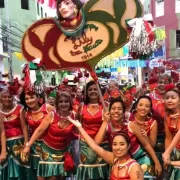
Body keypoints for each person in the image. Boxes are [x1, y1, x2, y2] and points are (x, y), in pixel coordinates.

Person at [94, 97, 162, 179]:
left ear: (123, 113)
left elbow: (146, 145)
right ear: (109, 112)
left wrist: (157, 162)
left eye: (119, 109)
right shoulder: (107, 127)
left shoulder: (131, 125)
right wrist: (105, 121)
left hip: (140, 159)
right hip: (121, 162)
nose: (116, 111)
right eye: (113, 108)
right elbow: (97, 142)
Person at [22, 91, 78, 180]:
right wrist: (28, 145)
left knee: (57, 178)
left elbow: (77, 135)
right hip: (47, 151)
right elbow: (39, 130)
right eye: (60, 101)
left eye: (66, 101)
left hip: (62, 152)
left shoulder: (74, 116)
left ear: (70, 102)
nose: (63, 104)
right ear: (57, 103)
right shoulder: (52, 114)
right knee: (42, 177)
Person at [68, 118, 144, 180]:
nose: (118, 148)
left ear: (128, 146)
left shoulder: (134, 167)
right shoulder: (114, 159)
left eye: (122, 144)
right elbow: (94, 146)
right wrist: (80, 128)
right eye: (115, 144)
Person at [77, 80, 109, 180]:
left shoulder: (106, 106)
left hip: (102, 143)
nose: (93, 91)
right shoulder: (82, 107)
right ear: (86, 92)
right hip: (85, 144)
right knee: (87, 171)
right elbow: (78, 123)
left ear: (100, 91)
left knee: (101, 171)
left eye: (95, 89)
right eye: (90, 89)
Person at [20, 91, 54, 180]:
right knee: (39, 174)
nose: (29, 100)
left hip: (50, 145)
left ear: (38, 98)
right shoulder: (25, 112)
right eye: (26, 99)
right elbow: (25, 128)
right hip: (34, 146)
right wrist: (26, 143)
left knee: (52, 174)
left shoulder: (48, 108)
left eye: (32, 97)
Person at [0, 88, 33, 180]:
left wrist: (26, 144)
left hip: (18, 142)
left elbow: (24, 127)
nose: (7, 99)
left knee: (22, 167)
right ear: (1, 98)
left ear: (13, 98)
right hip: (3, 144)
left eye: (9, 97)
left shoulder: (19, 109)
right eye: (4, 97)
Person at [163, 88, 180, 179]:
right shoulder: (167, 117)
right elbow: (168, 138)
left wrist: (168, 151)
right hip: (175, 150)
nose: (169, 100)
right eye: (167, 98)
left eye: (173, 98)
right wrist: (167, 156)